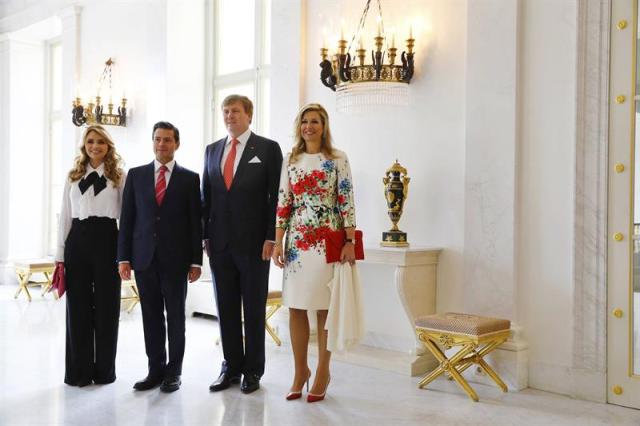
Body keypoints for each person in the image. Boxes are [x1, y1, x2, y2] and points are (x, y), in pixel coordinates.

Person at [271, 103, 357, 403]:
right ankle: (300, 371)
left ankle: (323, 370)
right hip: (297, 243)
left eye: (315, 121)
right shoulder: (291, 159)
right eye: (305, 121)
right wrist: (278, 241)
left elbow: (346, 198)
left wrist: (349, 241)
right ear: (299, 126)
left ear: (324, 126)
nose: (309, 126)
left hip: (326, 242)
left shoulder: (337, 158)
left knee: (323, 309)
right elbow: (284, 201)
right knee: (295, 307)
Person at [202, 95, 283, 394]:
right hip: (219, 244)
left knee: (252, 307)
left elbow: (276, 196)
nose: (229, 116)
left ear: (249, 114)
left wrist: (271, 237)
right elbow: (206, 197)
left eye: (235, 111)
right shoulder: (212, 151)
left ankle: (253, 371)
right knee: (225, 308)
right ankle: (231, 366)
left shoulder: (267, 148)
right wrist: (205, 236)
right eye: (225, 111)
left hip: (254, 245)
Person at [117, 121, 202, 393]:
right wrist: (123, 258)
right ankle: (155, 370)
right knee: (151, 317)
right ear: (152, 142)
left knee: (176, 317)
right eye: (157, 139)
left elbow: (194, 223)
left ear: (177, 144)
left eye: (167, 140)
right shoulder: (136, 175)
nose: (162, 144)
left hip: (176, 261)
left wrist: (195, 261)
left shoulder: (190, 179)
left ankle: (173, 372)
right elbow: (127, 219)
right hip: (143, 259)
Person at [56, 124, 125, 387]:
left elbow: (126, 218)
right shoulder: (73, 176)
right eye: (90, 141)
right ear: (84, 146)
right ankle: (78, 372)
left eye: (100, 142)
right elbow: (64, 216)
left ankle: (105, 371)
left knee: (108, 307)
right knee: (77, 308)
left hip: (108, 239)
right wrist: (60, 255)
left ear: (108, 146)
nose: (95, 146)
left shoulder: (118, 176)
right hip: (78, 240)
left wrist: (124, 254)